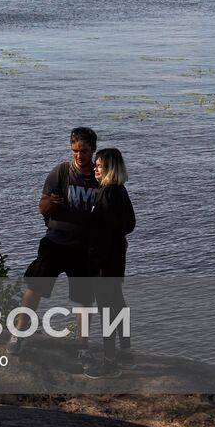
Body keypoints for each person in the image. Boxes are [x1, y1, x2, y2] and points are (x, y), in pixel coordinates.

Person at [7, 126, 100, 357]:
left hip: (83, 247)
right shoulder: (60, 172)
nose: (79, 156)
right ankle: (18, 335)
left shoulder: (100, 177)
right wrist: (52, 204)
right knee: (34, 287)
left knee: (83, 299)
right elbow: (42, 207)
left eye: (85, 151)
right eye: (75, 151)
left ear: (93, 150)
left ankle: (82, 347)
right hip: (55, 242)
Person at [90, 147, 136, 373]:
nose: (95, 169)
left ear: (110, 168)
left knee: (106, 308)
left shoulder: (107, 193)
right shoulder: (120, 190)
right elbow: (130, 224)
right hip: (116, 257)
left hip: (104, 259)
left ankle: (109, 361)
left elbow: (101, 229)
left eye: (99, 165)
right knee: (117, 302)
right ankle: (126, 351)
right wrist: (118, 238)